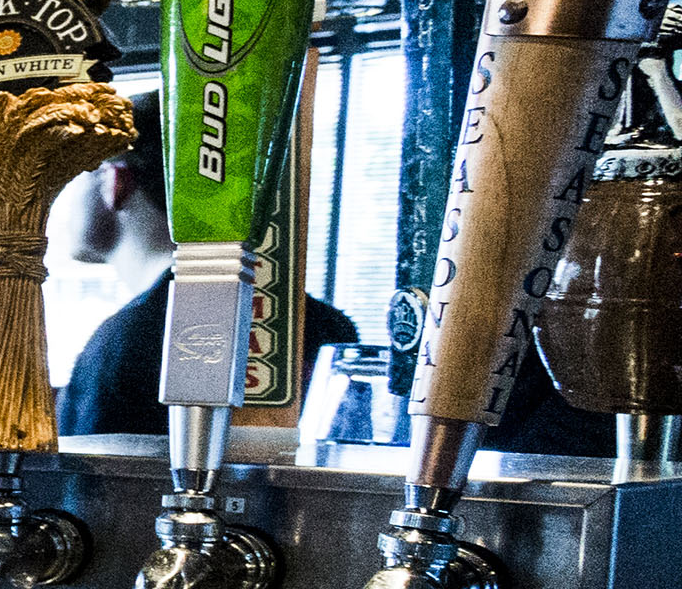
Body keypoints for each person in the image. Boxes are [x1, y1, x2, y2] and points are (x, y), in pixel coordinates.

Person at [53, 90, 595, 451]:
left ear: (116, 182)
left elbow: (86, 503)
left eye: (74, 172)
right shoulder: (323, 321)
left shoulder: (121, 343)